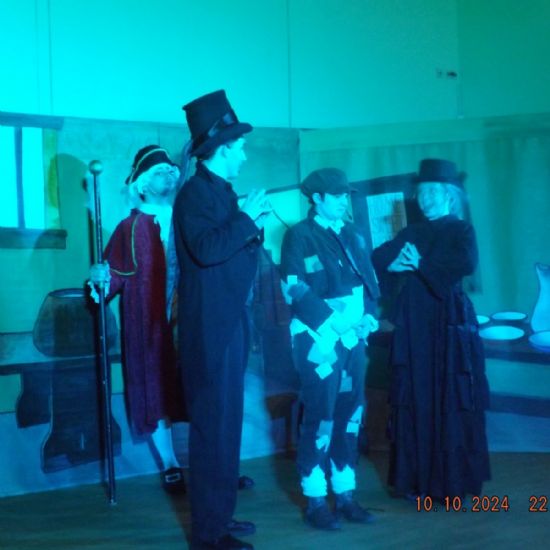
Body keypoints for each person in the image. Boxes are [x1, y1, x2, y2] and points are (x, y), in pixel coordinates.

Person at [173, 90, 270, 550]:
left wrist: (252, 222)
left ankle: (220, 518)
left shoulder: (222, 194)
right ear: (222, 150)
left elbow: (232, 251)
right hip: (209, 331)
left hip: (230, 325)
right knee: (212, 429)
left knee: (228, 426)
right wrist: (247, 220)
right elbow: (208, 250)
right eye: (240, 147)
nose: (245, 155)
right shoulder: (193, 195)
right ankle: (208, 536)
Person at [371, 158, 491, 502]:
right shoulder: (411, 232)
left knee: (449, 397)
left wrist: (420, 265)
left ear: (449, 195)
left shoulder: (461, 230)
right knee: (417, 397)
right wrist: (396, 265)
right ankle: (416, 481)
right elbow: (379, 258)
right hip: (414, 326)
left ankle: (451, 484)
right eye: (421, 192)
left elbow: (465, 264)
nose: (424, 199)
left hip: (448, 324)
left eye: (432, 192)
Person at [279, 168, 380, 530]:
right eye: (336, 196)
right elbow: (293, 287)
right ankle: (316, 499)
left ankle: (346, 493)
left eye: (345, 195)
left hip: (354, 339)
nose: (343, 201)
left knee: (351, 412)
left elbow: (370, 282)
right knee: (321, 412)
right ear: (317, 198)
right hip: (318, 338)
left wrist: (368, 317)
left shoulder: (354, 234)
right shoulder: (299, 236)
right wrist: (333, 322)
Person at [89, 145, 187, 494]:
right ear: (143, 183)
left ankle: (212, 461)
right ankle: (171, 463)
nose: (169, 176)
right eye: (161, 172)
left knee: (197, 388)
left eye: (171, 171)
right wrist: (100, 278)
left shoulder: (188, 221)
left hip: (189, 323)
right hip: (149, 326)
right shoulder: (128, 228)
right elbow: (112, 280)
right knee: (156, 390)